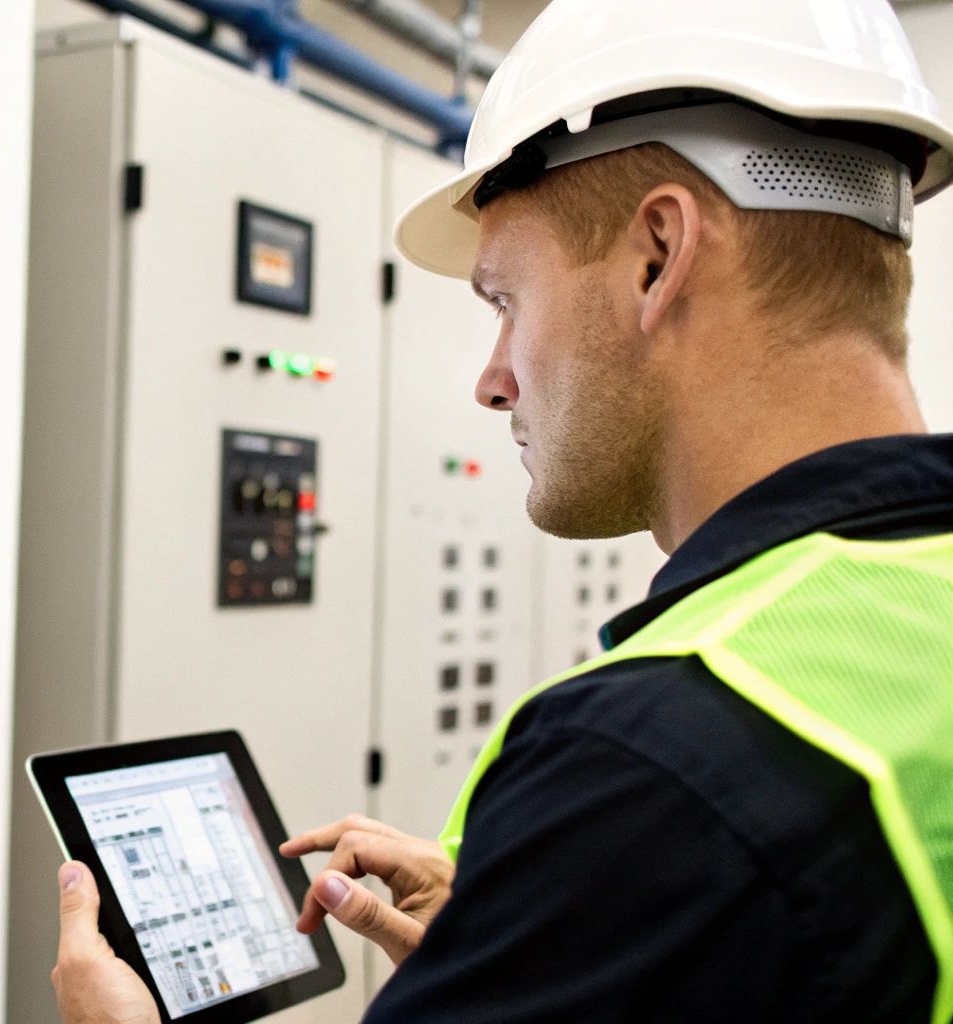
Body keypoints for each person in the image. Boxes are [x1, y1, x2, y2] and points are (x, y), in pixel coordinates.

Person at [47, 0, 953, 1019]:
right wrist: (540, 939)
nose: (489, 380)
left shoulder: (650, 762)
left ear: (657, 253)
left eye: (504, 300)